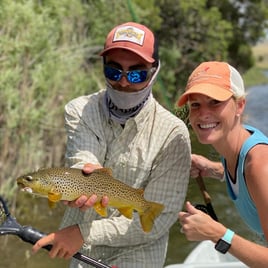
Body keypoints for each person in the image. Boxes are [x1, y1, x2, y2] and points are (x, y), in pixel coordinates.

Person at [32, 22, 191, 268]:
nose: (124, 82)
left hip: (137, 255)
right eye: (114, 72)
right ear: (104, 69)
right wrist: (84, 177)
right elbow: (83, 158)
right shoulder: (79, 110)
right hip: (80, 255)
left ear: (155, 70)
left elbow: (160, 219)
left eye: (137, 73)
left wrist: (83, 232)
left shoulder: (173, 134)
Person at [177, 61, 268, 267]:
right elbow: (246, 178)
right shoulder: (239, 145)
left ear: (240, 105)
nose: (203, 113)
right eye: (195, 105)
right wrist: (214, 169)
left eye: (215, 102)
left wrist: (217, 233)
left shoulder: (260, 165)